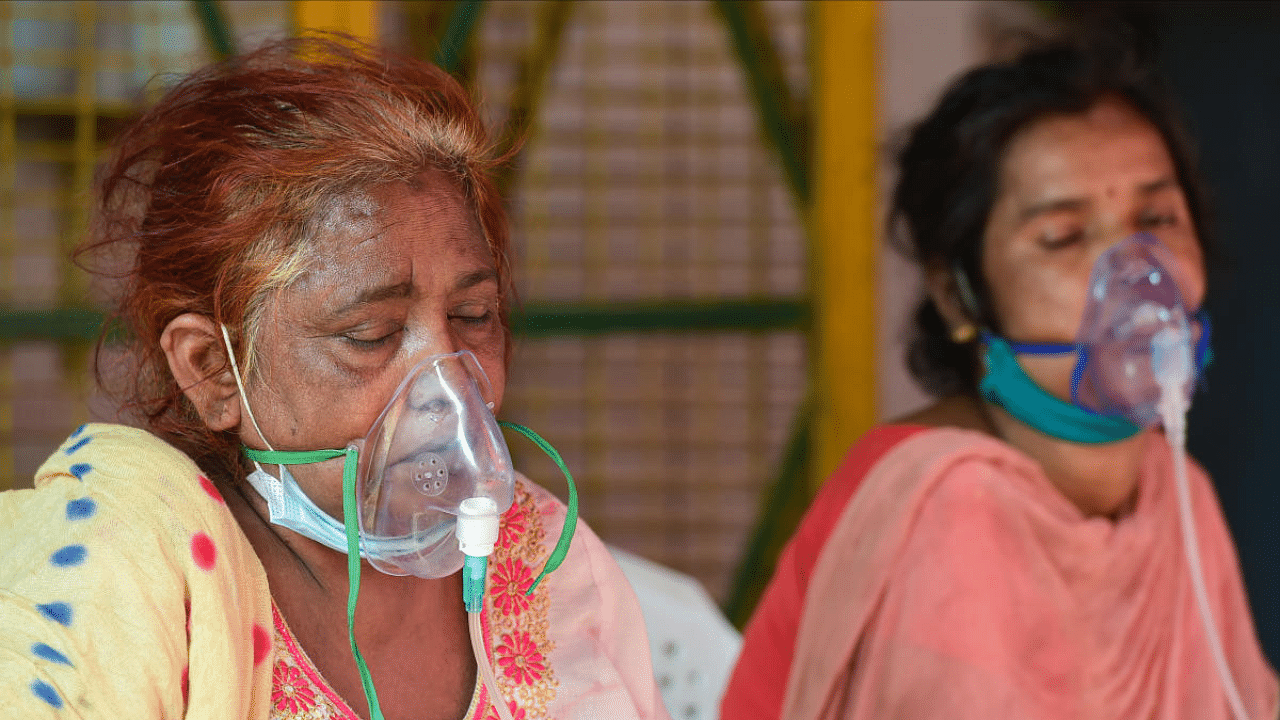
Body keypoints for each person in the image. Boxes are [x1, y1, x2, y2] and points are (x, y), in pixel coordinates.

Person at [0, 35, 669, 720]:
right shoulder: (125, 575)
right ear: (211, 370)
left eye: (474, 316)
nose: (447, 385)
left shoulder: (544, 560)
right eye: (370, 335)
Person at [721, 33, 1278, 720]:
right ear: (958, 293)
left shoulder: (1175, 494)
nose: (1137, 270)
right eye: (1064, 236)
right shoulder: (950, 505)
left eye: (1157, 218)